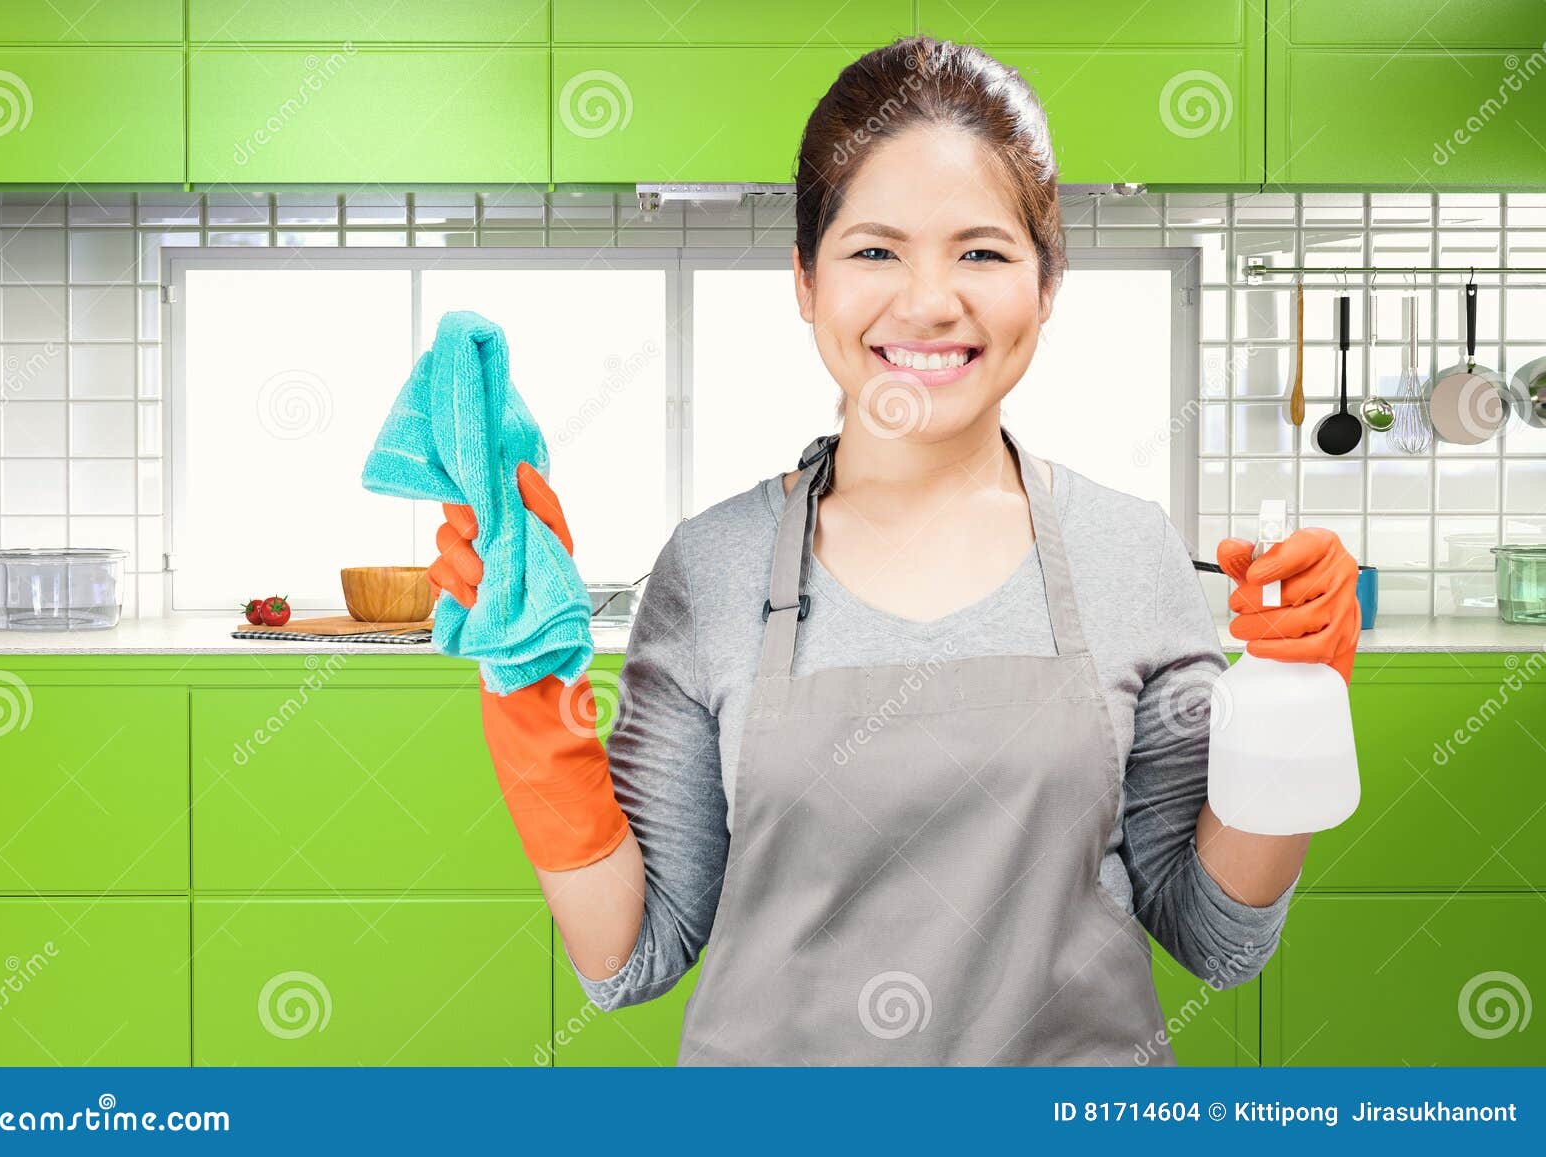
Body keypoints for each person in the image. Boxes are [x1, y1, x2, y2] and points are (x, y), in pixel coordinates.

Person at [428, 35, 1360, 1066]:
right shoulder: (711, 567)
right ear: (805, 279)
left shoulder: (1128, 552)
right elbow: (629, 954)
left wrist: (1295, 699)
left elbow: (1216, 937)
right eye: (875, 251)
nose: (927, 301)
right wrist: (531, 694)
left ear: (1047, 283)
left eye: (982, 252)